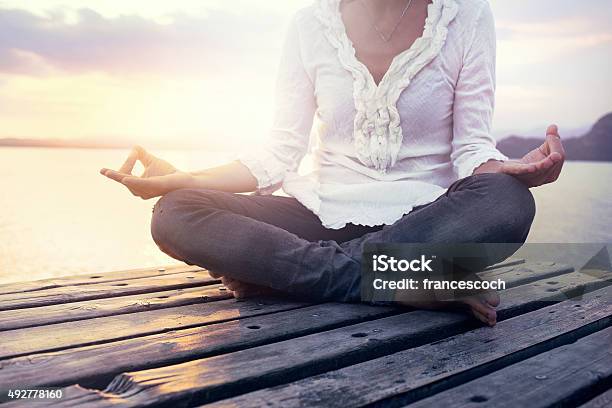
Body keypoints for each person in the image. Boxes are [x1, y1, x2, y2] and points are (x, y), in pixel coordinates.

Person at [101, 0, 565, 326]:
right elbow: (280, 152)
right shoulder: (309, 25)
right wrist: (189, 177)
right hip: (322, 212)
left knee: (507, 202)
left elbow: (472, 149)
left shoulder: (467, 15)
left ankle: (292, 276)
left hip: (425, 220)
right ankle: (399, 281)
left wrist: (513, 171)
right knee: (177, 212)